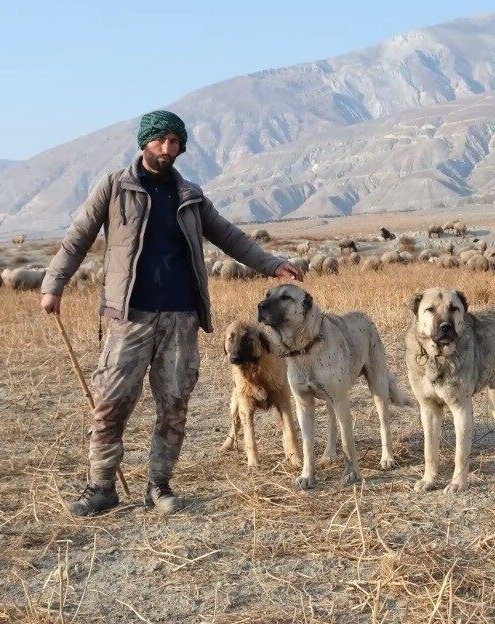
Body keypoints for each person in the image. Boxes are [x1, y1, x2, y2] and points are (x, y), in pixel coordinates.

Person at [40, 110, 303, 516]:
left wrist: (270, 264)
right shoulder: (115, 187)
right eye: (160, 140)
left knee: (175, 402)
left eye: (175, 142)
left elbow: (229, 237)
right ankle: (101, 488)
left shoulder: (190, 197)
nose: (167, 149)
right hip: (129, 316)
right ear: (144, 142)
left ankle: (159, 485)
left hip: (181, 317)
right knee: (111, 402)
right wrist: (53, 285)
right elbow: (77, 238)